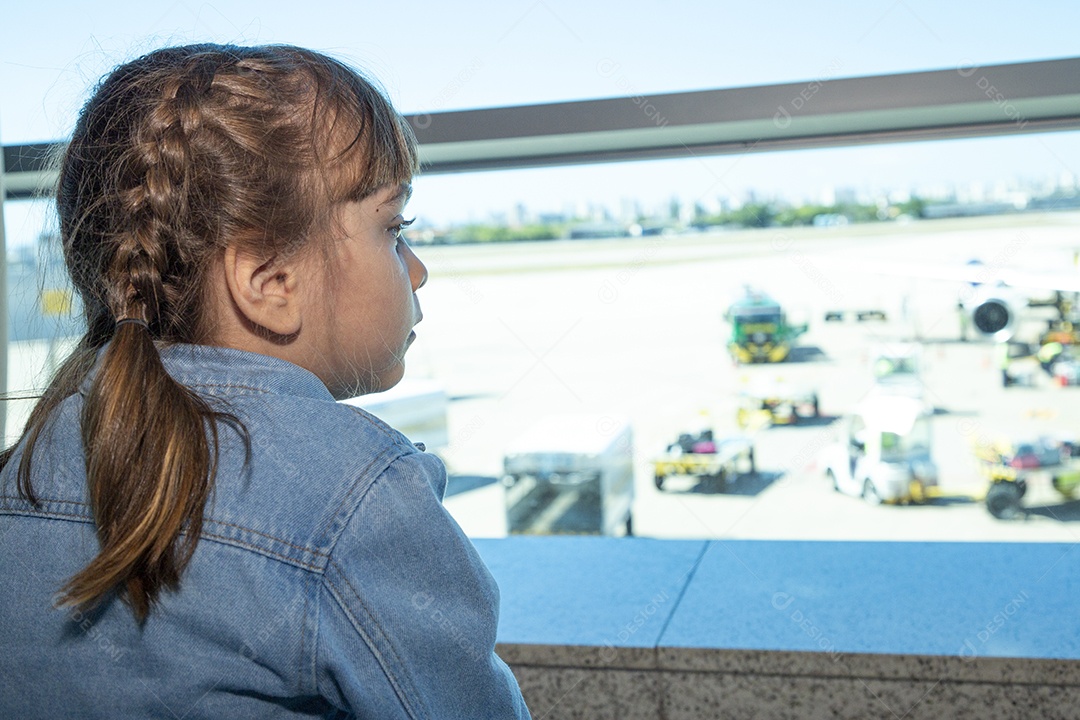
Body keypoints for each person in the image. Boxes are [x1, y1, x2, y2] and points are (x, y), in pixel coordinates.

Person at [0, 44, 530, 718]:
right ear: (269, 282)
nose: (417, 269)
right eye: (394, 227)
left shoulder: (25, 473)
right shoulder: (360, 497)